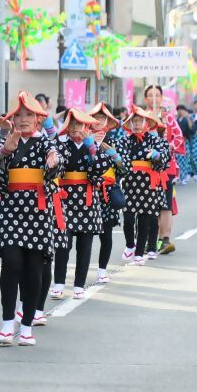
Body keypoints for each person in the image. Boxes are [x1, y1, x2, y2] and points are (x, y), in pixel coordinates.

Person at [0, 92, 63, 347]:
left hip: (39, 211)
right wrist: (3, 153)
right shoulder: (6, 142)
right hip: (12, 210)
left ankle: (28, 325)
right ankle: (7, 323)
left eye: (28, 115)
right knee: (10, 262)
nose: (23, 120)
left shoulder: (46, 144)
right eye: (18, 115)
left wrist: (54, 163)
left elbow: (56, 163)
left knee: (34, 270)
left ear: (38, 120)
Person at [51, 109, 110, 299]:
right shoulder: (61, 146)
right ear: (67, 128)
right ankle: (59, 283)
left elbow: (99, 171)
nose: (76, 128)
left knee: (85, 246)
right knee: (63, 244)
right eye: (73, 124)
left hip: (87, 200)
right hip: (65, 199)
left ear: (87, 127)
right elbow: (57, 166)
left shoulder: (93, 145)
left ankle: (79, 285)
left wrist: (92, 147)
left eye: (80, 125)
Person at [117, 106, 171, 265]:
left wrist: (156, 156)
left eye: (139, 120)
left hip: (148, 183)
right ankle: (130, 245)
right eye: (134, 121)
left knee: (145, 219)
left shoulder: (155, 140)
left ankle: (140, 253)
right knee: (127, 218)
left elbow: (165, 157)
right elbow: (120, 160)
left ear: (146, 122)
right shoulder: (124, 140)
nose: (136, 124)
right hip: (130, 182)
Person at [143, 85, 184, 254]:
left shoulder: (168, 119)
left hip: (166, 167)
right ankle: (146, 240)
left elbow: (179, 138)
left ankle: (164, 239)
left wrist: (165, 149)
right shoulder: (140, 118)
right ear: (145, 99)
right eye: (151, 95)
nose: (154, 98)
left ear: (162, 98)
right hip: (145, 168)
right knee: (146, 204)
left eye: (157, 95)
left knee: (165, 204)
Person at [88, 103, 122, 283]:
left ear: (108, 121)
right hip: (86, 191)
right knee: (83, 235)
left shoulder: (115, 141)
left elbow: (125, 170)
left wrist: (116, 157)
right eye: (95, 118)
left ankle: (102, 269)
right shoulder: (83, 140)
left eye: (102, 118)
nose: (99, 121)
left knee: (106, 234)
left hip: (107, 192)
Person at [175, 105, 192, 185]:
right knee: (177, 160)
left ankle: (184, 178)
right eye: (178, 110)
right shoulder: (175, 120)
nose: (180, 111)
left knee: (184, 161)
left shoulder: (186, 120)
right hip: (177, 143)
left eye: (182, 110)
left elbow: (191, 129)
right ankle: (178, 177)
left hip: (185, 142)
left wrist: (188, 119)